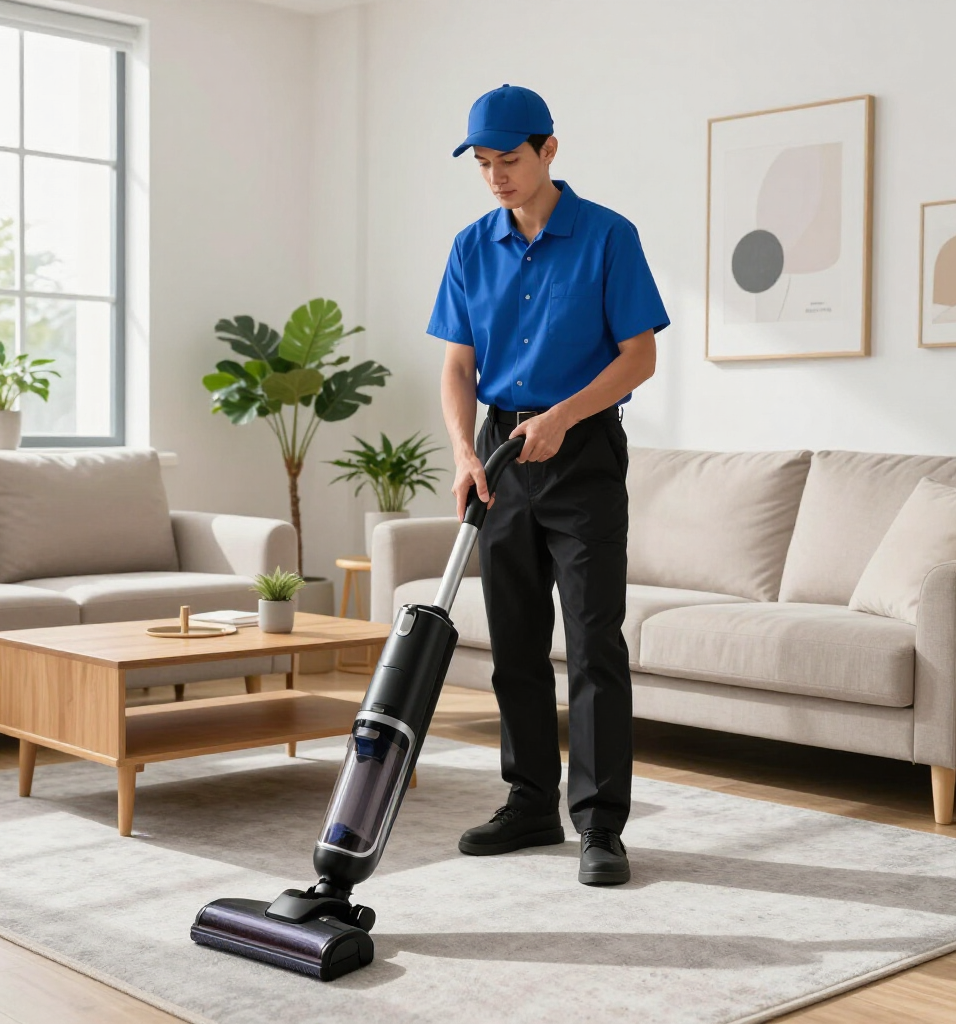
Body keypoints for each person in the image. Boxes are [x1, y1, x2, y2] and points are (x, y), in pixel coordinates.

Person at [427, 84, 670, 886]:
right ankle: (529, 803)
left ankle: (600, 824)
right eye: (485, 164)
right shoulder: (470, 247)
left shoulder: (607, 236)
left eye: (511, 160)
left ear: (549, 151)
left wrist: (564, 415)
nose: (497, 176)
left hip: (583, 451)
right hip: (500, 451)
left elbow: (639, 358)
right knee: (515, 641)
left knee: (595, 642)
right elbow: (458, 365)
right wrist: (466, 453)